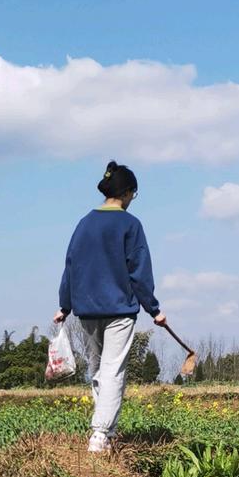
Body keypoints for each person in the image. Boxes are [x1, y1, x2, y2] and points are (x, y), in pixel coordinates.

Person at [55, 160, 167, 454]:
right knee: (113, 370)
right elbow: (138, 271)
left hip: (87, 310)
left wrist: (64, 305)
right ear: (128, 193)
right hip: (118, 309)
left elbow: (70, 266)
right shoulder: (130, 224)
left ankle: (106, 431)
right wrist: (154, 309)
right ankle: (100, 433)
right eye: (134, 194)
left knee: (97, 368)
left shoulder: (84, 223)